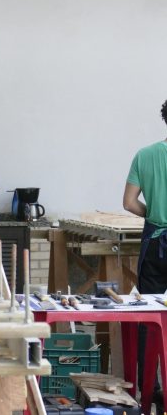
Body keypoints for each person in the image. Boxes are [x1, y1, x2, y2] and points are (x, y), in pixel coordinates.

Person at [123, 99, 167, 410]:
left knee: (149, 314)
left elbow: (129, 202)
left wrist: (153, 212)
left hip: (155, 240)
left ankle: (145, 391)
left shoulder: (146, 155)